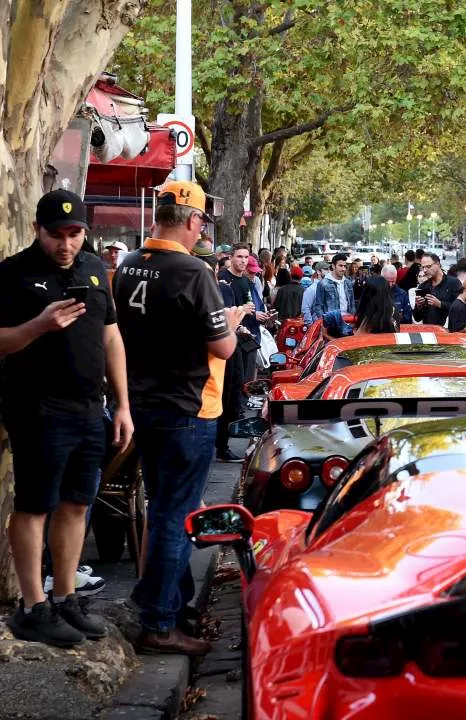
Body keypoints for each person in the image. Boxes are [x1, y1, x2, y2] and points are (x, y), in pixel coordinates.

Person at [114, 180, 246, 654]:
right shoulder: (194, 272)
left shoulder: (127, 265)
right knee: (175, 515)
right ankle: (159, 621)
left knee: (160, 507)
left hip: (140, 403)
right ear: (193, 221)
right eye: (202, 224)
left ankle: (166, 600)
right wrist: (230, 323)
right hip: (188, 406)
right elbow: (223, 347)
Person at [0, 190, 129, 647]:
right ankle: (33, 606)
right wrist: (39, 325)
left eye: (75, 234)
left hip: (89, 406)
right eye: (57, 234)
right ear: (38, 229)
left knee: (77, 502)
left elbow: (111, 338)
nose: (66, 244)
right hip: (36, 407)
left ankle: (66, 595)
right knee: (35, 505)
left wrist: (123, 405)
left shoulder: (95, 269)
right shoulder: (13, 274)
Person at [215, 244, 266, 463]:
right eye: (239, 257)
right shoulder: (223, 281)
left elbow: (247, 306)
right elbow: (228, 313)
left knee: (235, 392)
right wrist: (241, 315)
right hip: (224, 341)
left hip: (240, 341)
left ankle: (223, 441)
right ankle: (220, 444)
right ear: (230, 258)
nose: (243, 261)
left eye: (246, 257)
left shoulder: (246, 281)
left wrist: (252, 317)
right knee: (224, 394)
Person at [413, 252, 461, 325]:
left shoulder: (453, 283)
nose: (425, 270)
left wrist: (440, 304)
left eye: (428, 266)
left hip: (448, 332)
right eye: (423, 267)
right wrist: (418, 306)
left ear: (438, 264)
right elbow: (417, 318)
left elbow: (460, 309)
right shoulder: (423, 286)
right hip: (428, 332)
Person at [310, 254, 353, 319]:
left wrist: (353, 320)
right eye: (340, 266)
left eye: (345, 266)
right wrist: (324, 322)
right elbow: (318, 306)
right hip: (331, 322)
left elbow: (352, 304)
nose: (343, 269)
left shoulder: (348, 283)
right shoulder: (323, 283)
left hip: (348, 321)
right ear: (333, 266)